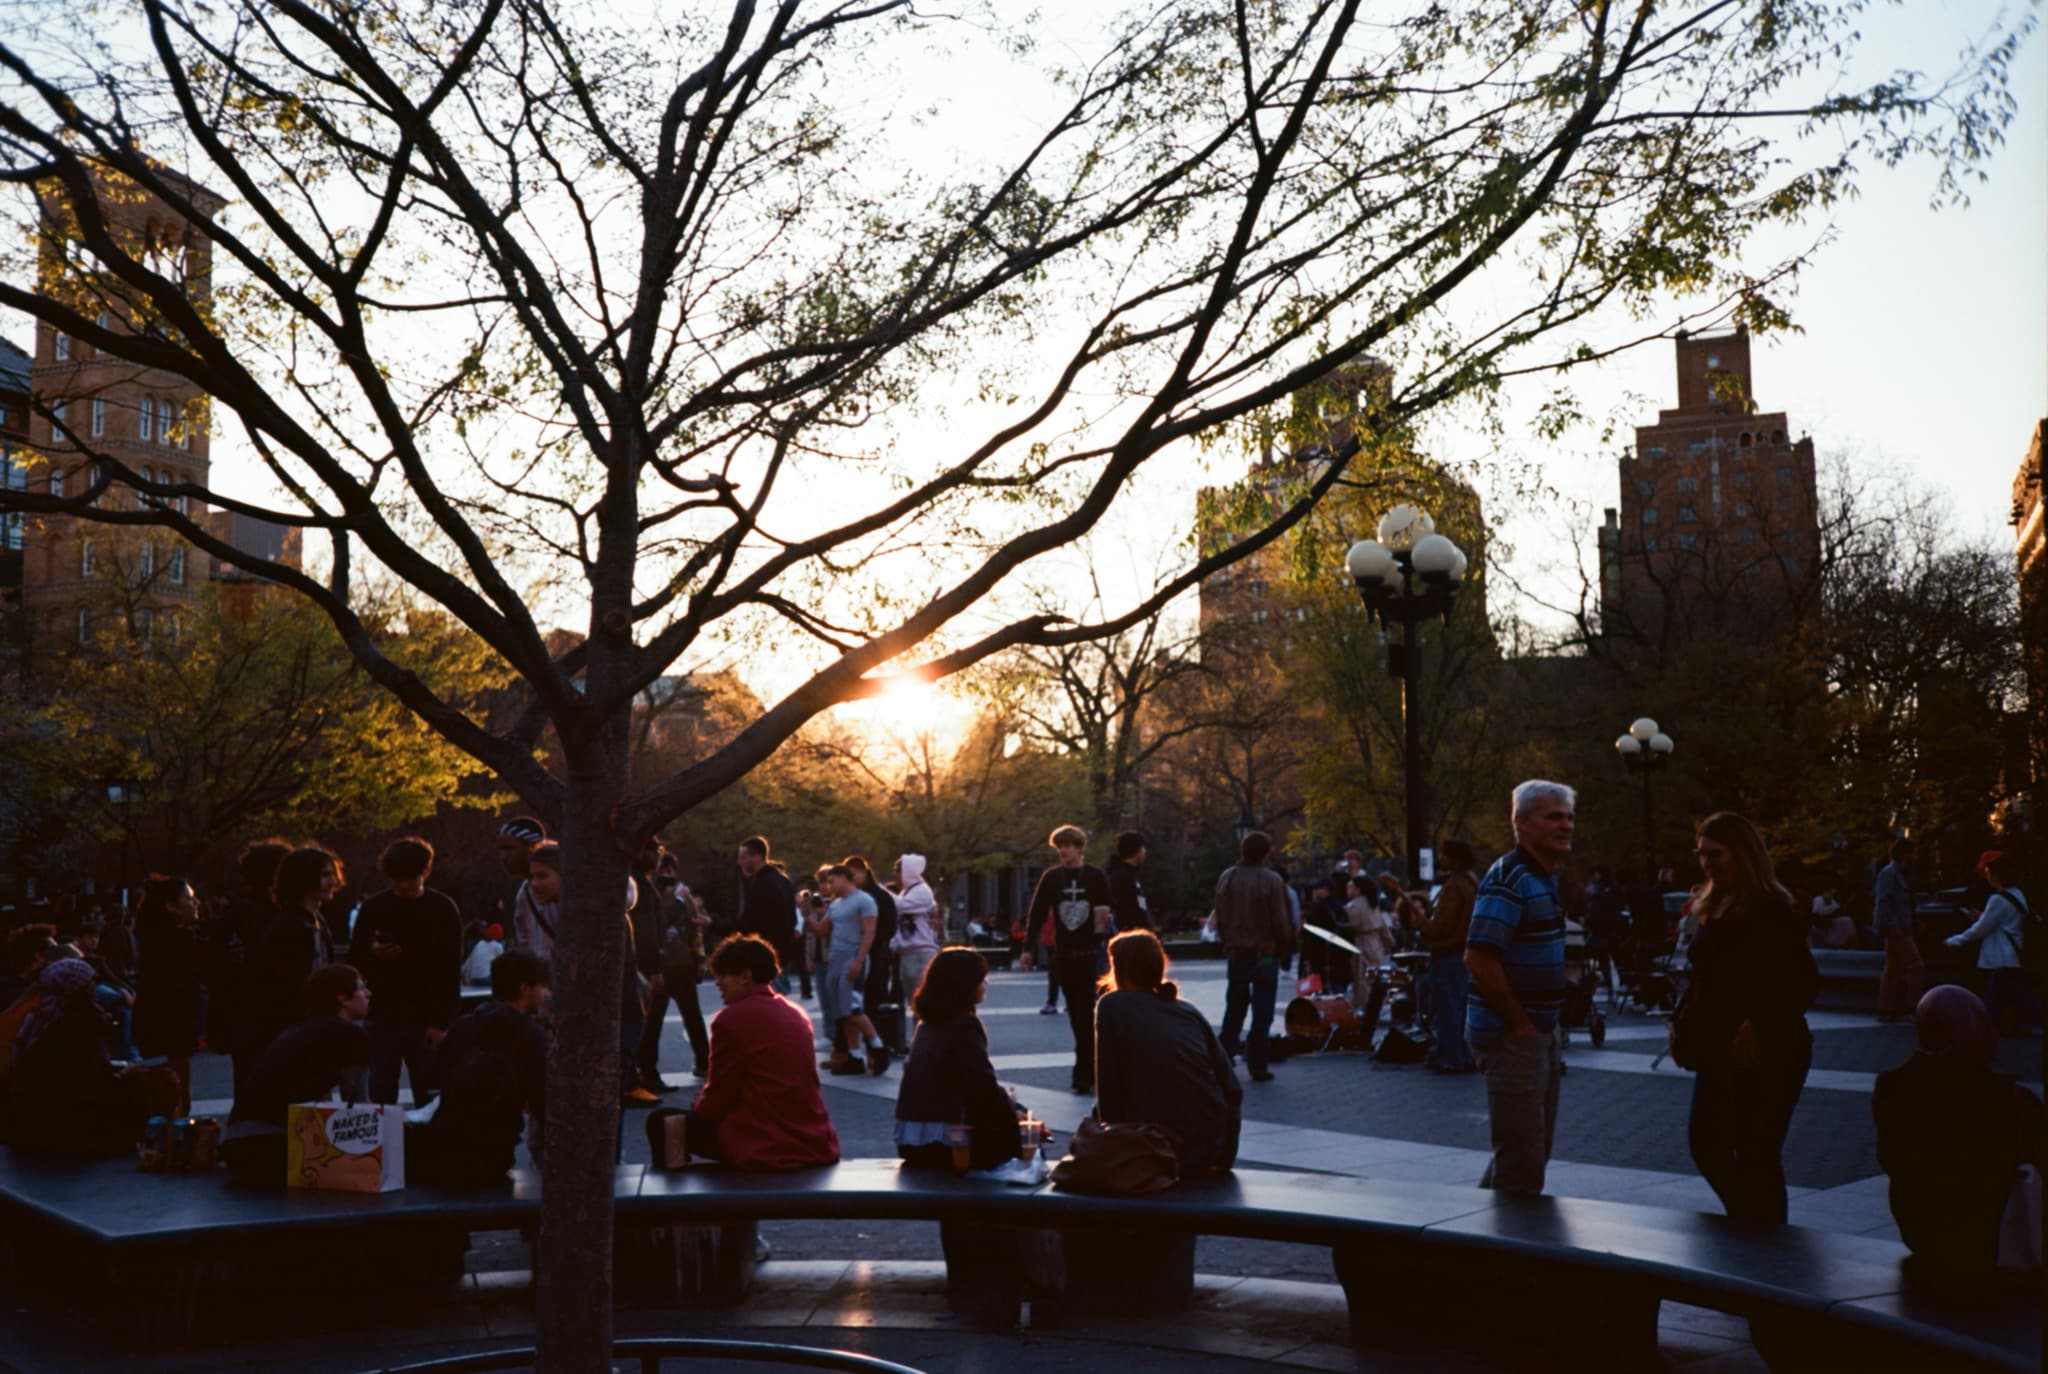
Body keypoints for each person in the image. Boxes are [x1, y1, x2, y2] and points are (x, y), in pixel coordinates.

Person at [1677, 813, 1819, 1224]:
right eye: (1702, 855)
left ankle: (1763, 1233)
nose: (1707, 863)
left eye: (1716, 854)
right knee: (1708, 1143)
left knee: (1757, 1151)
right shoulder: (1715, 905)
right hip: (1719, 1046)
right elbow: (1707, 975)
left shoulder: (1771, 909)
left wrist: (1758, 1022)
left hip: (1767, 1049)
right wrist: (1682, 1017)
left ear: (1742, 854)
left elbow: (1803, 980)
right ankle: (1753, 1223)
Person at [1873, 986, 2043, 1284]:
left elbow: (1890, 1158)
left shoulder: (1892, 1086)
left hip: (1921, 1232)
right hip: (1990, 1240)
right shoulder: (2008, 1098)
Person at [643, 935, 839, 1170]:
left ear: (745, 976)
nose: (718, 983)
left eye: (723, 976)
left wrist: (699, 1103)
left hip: (764, 1141)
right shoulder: (796, 1013)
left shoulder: (731, 1020)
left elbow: (717, 1098)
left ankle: (676, 1185)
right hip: (814, 1140)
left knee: (661, 1121)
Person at [1465, 779, 1574, 1194]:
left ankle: (1469, 1225)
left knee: (1526, 1153)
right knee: (1521, 1161)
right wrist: (1521, 1024)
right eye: (1554, 817)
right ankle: (1497, 1234)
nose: (1566, 826)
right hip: (1511, 1038)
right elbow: (1478, 957)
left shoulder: (1542, 876)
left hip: (1536, 1033)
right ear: (1522, 823)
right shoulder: (1511, 879)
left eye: (1569, 817)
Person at [1095, 929, 1241, 1175]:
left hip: (1153, 1146)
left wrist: (1113, 1147)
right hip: (1208, 1146)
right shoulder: (1187, 1011)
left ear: (1119, 970)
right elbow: (1231, 1087)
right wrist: (1225, 1155)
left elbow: (1109, 1089)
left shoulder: (1111, 1005)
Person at [2, 957, 178, 1157]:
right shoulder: (70, 1027)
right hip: (63, 1125)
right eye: (90, 987)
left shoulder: (39, 1022)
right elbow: (83, 1087)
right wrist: (125, 1075)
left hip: (38, 1124)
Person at [222, 964, 372, 1188]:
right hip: (276, 1147)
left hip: (237, 1145)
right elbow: (359, 1106)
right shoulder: (351, 1035)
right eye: (361, 987)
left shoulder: (296, 1030)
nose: (368, 993)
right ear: (342, 998)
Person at [414, 947, 549, 1187]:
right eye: (541, 987)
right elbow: (542, 1099)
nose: (545, 994)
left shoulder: (465, 1025)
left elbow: (434, 1075)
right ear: (524, 989)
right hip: (493, 1154)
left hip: (444, 1145)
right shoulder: (531, 1035)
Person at [351, 837, 463, 1106]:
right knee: (381, 1097)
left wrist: (440, 1022)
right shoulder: (374, 908)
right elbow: (354, 959)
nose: (402, 885)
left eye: (409, 878)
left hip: (424, 1017)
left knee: (429, 1096)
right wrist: (373, 954)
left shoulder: (443, 909)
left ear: (426, 871)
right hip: (382, 1015)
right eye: (396, 879)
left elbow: (450, 969)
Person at [893, 946, 1024, 1172]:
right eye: (981, 979)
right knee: (1021, 1132)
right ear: (964, 985)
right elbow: (982, 1087)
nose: (985, 984)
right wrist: (1014, 1114)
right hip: (947, 1145)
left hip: (911, 1141)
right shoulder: (963, 1025)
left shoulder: (926, 1025)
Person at [1023, 825, 1114, 1093]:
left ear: (1079, 848)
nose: (1064, 851)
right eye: (1060, 846)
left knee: (1089, 1013)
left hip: (1091, 955)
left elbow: (1105, 910)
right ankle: (1087, 1068)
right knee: (1077, 1014)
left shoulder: (1095, 876)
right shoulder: (1052, 878)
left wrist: (1102, 942)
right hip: (1064, 954)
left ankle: (1087, 1071)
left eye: (1068, 846)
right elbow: (1037, 913)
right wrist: (1027, 947)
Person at [246, 844, 342, 1060]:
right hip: (296, 1027)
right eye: (326, 875)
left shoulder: (315, 920)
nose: (333, 882)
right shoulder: (290, 926)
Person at [1212, 829, 1293, 1084]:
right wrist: (1285, 949)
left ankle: (1224, 1058)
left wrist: (1227, 942)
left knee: (1234, 1007)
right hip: (1264, 953)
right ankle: (1258, 1063)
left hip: (1238, 952)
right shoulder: (1272, 880)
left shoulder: (1228, 877)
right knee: (1263, 1010)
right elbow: (1281, 921)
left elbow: (1220, 915)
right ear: (1266, 853)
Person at [212, 839, 290, 1094]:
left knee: (248, 1082)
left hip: (242, 1013)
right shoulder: (286, 914)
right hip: (276, 1013)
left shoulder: (234, 914)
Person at [132, 876, 207, 1116]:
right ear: (170, 906)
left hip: (155, 1029)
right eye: (189, 899)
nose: (196, 903)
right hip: (172, 1028)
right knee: (176, 1097)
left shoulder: (150, 940)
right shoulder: (179, 941)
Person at [805, 864, 887, 1076]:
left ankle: (878, 1047)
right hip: (835, 959)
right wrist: (807, 914)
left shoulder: (864, 900)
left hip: (852, 956)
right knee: (842, 1012)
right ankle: (855, 1056)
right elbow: (822, 930)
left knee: (852, 1008)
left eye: (832, 881)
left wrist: (858, 961)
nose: (829, 886)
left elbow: (870, 932)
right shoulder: (835, 904)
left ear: (843, 877)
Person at [1947, 852, 2037, 1037]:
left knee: (1997, 997)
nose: (1987, 877)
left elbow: (1981, 928)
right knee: (2013, 995)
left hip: (1999, 954)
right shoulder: (2017, 894)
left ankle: (1985, 1030)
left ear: (1997, 876)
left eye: (1989, 873)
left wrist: (1955, 940)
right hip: (2012, 953)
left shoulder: (1997, 899)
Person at [641, 860, 713, 1083]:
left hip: (683, 964)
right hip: (659, 966)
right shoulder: (649, 895)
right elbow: (655, 925)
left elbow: (695, 930)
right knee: (653, 1020)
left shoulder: (684, 897)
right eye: (663, 870)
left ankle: (704, 1063)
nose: (667, 875)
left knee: (693, 1017)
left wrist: (700, 958)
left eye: (671, 870)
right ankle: (648, 1069)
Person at [1414, 840, 1478, 1074]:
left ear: (1454, 858)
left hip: (1448, 953)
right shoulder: (1472, 881)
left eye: (1444, 855)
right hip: (1464, 953)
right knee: (1460, 1008)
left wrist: (1422, 924)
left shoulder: (1453, 887)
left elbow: (1442, 927)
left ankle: (1449, 1057)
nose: (1441, 859)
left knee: (1446, 1009)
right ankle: (1463, 1054)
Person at [847, 856, 901, 1051]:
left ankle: (877, 1045)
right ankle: (860, 1046)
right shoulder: (851, 896)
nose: (851, 880)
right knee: (852, 1003)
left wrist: (870, 939)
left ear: (864, 872)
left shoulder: (880, 896)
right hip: (856, 954)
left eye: (853, 875)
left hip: (876, 955)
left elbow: (889, 928)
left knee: (874, 1000)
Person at [735, 836, 801, 993]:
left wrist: (713, 924)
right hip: (782, 953)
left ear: (757, 857)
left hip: (766, 954)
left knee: (769, 998)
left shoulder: (761, 884)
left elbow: (749, 923)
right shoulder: (783, 880)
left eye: (743, 857)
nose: (739, 862)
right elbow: (792, 918)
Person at [889, 854, 942, 1031]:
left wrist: (882, 891)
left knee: (923, 999)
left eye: (897, 871)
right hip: (908, 952)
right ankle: (919, 1035)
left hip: (921, 953)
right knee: (913, 1001)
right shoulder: (907, 891)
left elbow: (902, 906)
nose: (895, 875)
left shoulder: (921, 891)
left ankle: (927, 1034)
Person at [1873, 837, 1922, 1022]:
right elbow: (1883, 901)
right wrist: (1893, 926)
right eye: (1914, 853)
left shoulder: (1899, 873)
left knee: (1893, 968)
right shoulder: (1890, 874)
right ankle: (1913, 1006)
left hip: (1900, 927)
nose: (1916, 856)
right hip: (1898, 929)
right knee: (1916, 965)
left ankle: (1885, 1008)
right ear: (1905, 854)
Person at [496, 816, 548, 950]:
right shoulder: (524, 893)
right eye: (501, 850)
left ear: (533, 848)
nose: (503, 857)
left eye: (509, 849)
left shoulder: (556, 888)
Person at [1105, 831, 1152, 933]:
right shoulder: (1121, 877)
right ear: (1136, 851)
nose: (1144, 851)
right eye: (1142, 847)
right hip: (1128, 934)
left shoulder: (1131, 874)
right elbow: (1124, 909)